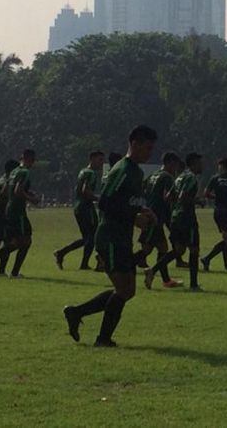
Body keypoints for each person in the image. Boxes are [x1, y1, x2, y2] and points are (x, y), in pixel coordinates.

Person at [63, 125, 158, 347]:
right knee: (124, 290)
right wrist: (133, 219)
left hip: (121, 237)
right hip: (110, 237)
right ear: (134, 144)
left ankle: (77, 313)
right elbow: (105, 202)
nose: (150, 153)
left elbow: (128, 201)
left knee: (127, 290)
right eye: (147, 148)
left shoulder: (136, 171)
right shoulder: (122, 169)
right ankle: (102, 338)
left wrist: (144, 210)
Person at [147, 153, 204, 292]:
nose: (203, 166)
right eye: (201, 163)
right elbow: (182, 196)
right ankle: (194, 285)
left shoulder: (180, 177)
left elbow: (168, 196)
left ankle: (152, 271)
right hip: (187, 218)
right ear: (194, 163)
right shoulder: (191, 177)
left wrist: (175, 208)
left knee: (179, 250)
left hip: (176, 216)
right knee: (194, 250)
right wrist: (198, 201)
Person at [139, 152, 183, 290]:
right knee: (147, 250)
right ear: (170, 163)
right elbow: (172, 195)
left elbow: (142, 190)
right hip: (156, 216)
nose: (176, 168)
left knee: (161, 248)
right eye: (175, 165)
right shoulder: (167, 177)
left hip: (150, 213)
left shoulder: (153, 175)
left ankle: (166, 280)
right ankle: (119, 267)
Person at [54, 151, 105, 270]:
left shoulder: (83, 171)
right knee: (92, 236)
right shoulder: (90, 173)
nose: (101, 163)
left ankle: (62, 253)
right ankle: (83, 264)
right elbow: (85, 190)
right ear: (92, 159)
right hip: (85, 207)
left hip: (78, 206)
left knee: (87, 238)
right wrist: (98, 198)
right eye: (100, 160)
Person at [0, 150, 39, 278]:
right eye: (33, 160)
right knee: (24, 241)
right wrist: (31, 199)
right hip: (17, 211)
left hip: (9, 210)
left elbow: (4, 192)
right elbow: (17, 190)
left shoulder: (13, 172)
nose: (33, 163)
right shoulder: (24, 172)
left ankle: (10, 272)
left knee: (15, 241)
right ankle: (14, 273)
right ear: (29, 158)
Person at [0, 160, 20, 258]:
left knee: (5, 241)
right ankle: (1, 269)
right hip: (2, 214)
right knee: (13, 242)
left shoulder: (2, 178)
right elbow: (2, 195)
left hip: (2, 214)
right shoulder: (7, 180)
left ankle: (2, 270)